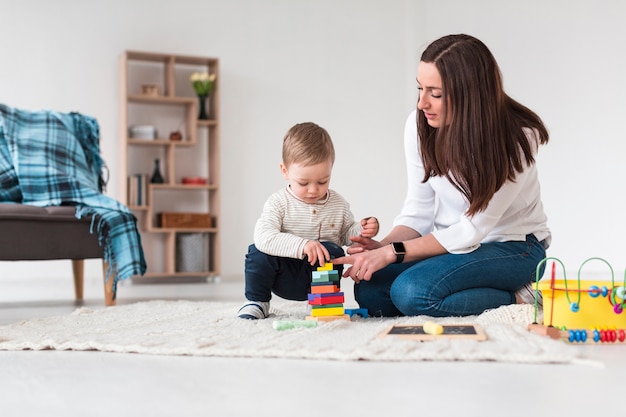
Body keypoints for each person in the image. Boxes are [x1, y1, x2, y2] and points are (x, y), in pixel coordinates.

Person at [332, 34, 551, 318]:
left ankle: (520, 297)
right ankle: (465, 290)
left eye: (435, 93)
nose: (423, 103)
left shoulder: (518, 137)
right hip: (452, 243)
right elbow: (418, 211)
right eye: (420, 89)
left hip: (515, 248)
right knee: (371, 292)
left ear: (471, 94)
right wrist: (381, 247)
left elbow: (472, 229)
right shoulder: (419, 125)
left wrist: (393, 253)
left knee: (412, 293)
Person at [238, 122, 379, 319]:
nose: (313, 190)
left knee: (333, 251)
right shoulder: (279, 202)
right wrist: (303, 245)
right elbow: (263, 236)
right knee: (257, 251)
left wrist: (362, 230)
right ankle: (257, 301)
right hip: (282, 274)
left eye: (323, 181)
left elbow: (346, 232)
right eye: (303, 183)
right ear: (285, 171)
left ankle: (321, 303)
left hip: (318, 277)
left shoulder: (337, 204)